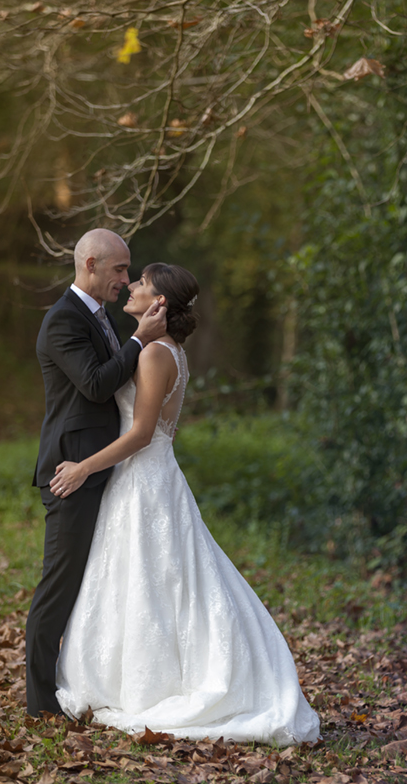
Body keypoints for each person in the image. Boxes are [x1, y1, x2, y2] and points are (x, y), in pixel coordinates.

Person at [47, 263, 320, 745]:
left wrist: (83, 466)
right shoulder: (171, 350)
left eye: (141, 284)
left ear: (160, 304)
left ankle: (155, 683)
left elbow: (141, 433)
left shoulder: (154, 355)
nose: (130, 287)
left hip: (142, 478)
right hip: (155, 475)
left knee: (153, 579)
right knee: (154, 578)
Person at [27, 229, 167, 719]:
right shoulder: (62, 320)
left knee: (93, 585)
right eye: (119, 270)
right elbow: (93, 385)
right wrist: (138, 340)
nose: (125, 279)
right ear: (90, 264)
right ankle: (40, 703)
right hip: (71, 470)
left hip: (102, 468)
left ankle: (88, 681)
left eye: (127, 270)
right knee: (59, 586)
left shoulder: (102, 316)